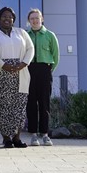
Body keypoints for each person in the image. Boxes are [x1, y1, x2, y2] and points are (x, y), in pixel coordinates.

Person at [0, 7, 34, 148]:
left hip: (20, 72)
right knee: (3, 107)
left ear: (13, 19)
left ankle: (17, 138)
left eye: (10, 17)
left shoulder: (21, 32)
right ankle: (6, 138)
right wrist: (3, 65)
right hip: (1, 73)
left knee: (19, 107)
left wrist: (24, 63)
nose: (7, 19)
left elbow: (30, 48)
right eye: (4, 17)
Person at [26, 8, 60, 146]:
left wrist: (49, 70)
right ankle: (33, 134)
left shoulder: (49, 35)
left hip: (45, 70)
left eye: (37, 18)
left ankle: (45, 134)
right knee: (31, 103)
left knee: (44, 103)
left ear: (42, 19)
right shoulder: (25, 35)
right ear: (29, 21)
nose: (35, 20)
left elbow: (56, 56)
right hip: (29, 70)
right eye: (32, 18)